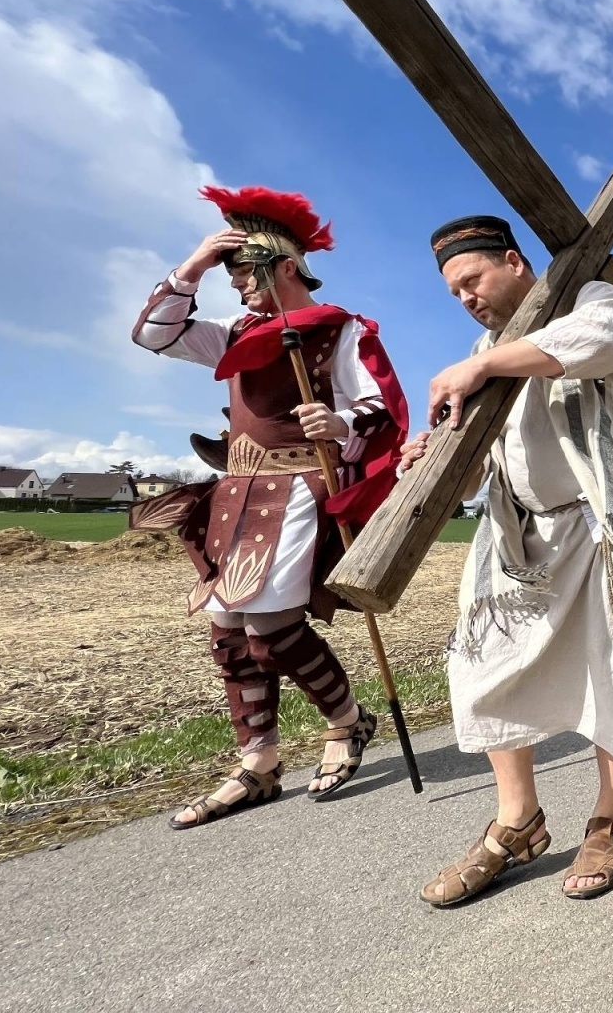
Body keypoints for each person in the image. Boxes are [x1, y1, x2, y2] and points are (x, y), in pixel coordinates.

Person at [410, 215, 613, 905]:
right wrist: (430, 461)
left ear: (514, 262)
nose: (465, 297)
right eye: (453, 291)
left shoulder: (590, 299)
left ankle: (608, 819)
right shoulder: (483, 352)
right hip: (524, 540)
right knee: (480, 667)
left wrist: (486, 363)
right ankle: (518, 819)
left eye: (472, 279)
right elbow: (470, 480)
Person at [130, 186, 407, 825]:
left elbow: (382, 408)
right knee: (228, 632)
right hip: (236, 492)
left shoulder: (340, 329)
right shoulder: (234, 332)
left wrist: (338, 424)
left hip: (300, 491)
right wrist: (192, 265)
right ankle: (259, 763)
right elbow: (151, 334)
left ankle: (346, 723)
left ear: (284, 267)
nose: (237, 288)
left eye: (244, 273)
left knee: (269, 626)